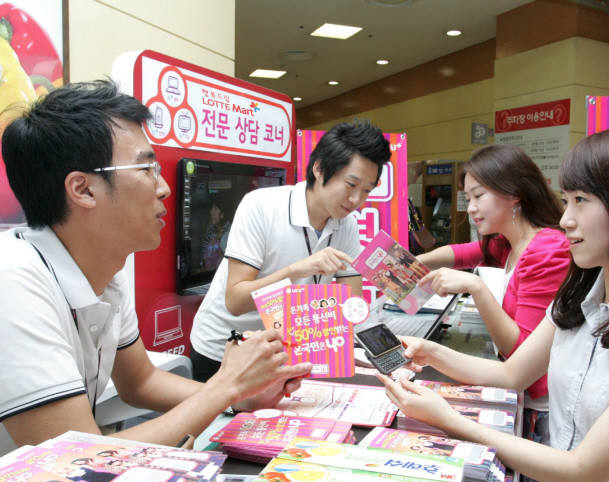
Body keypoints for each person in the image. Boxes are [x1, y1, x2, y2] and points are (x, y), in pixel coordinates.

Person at [0, 80, 311, 447]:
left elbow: (141, 382)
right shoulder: (13, 282)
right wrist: (226, 385)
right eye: (146, 169)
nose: (163, 187)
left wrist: (238, 396)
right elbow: (71, 459)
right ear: (83, 189)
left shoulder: (107, 273)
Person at [379, 127, 609, 481]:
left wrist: (448, 420)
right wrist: (429, 352)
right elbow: (511, 373)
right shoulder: (582, 294)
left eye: (582, 200)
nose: (566, 220)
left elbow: (582, 469)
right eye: (566, 200)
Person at [190, 120, 391, 381]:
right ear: (319, 168)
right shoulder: (261, 206)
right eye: (351, 185)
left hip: (287, 353)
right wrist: (297, 270)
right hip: (226, 351)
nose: (357, 201)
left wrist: (383, 346)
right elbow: (236, 301)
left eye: (366, 191)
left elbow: (349, 304)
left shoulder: (347, 225)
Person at [416, 144, 570, 442]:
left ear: (513, 193)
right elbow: (461, 253)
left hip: (543, 410)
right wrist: (412, 264)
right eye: (468, 197)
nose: (470, 207)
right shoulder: (510, 242)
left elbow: (519, 348)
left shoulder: (548, 251)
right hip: (525, 397)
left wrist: (476, 287)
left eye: (478, 196)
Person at [200, 197, 231, 271]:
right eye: (211, 209)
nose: (212, 212)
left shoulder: (230, 230)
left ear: (222, 214)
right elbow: (204, 254)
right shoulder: (210, 230)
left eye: (215, 209)